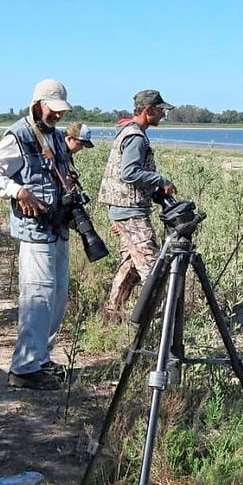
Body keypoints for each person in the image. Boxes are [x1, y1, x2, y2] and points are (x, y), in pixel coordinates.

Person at [0, 79, 75, 390]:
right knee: (38, 297)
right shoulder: (18, 135)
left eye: (61, 111)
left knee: (57, 297)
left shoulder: (57, 137)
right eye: (53, 109)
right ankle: (24, 368)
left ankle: (41, 358)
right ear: (37, 104)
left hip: (59, 227)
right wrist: (18, 190)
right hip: (35, 232)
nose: (57, 115)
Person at [97, 89, 177, 319]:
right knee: (153, 268)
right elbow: (130, 173)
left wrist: (153, 190)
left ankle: (111, 316)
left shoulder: (129, 132)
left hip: (124, 209)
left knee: (131, 266)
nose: (163, 115)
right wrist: (161, 180)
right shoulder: (135, 137)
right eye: (161, 111)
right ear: (148, 110)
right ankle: (163, 322)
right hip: (130, 212)